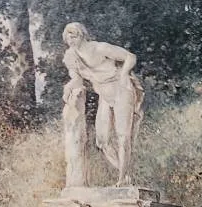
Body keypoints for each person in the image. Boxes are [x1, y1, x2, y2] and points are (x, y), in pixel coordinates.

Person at [62, 22, 144, 186]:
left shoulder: (100, 48)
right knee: (102, 141)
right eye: (68, 37)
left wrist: (124, 74)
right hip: (104, 95)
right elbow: (77, 79)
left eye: (74, 36)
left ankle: (122, 178)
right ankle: (126, 172)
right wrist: (68, 88)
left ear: (82, 35)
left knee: (123, 137)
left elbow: (130, 57)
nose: (71, 40)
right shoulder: (71, 56)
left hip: (121, 90)